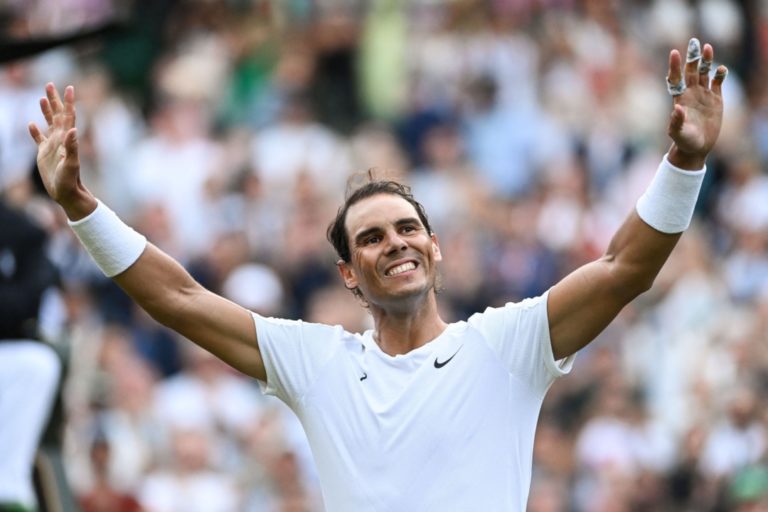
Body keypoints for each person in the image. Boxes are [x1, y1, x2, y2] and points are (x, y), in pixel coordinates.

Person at [28, 38, 727, 511]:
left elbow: (622, 269)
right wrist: (79, 205)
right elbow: (178, 297)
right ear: (348, 273)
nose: (395, 243)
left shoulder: (507, 346)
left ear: (436, 248)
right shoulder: (317, 362)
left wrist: (685, 162)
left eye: (407, 228)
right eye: (371, 237)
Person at [0, 198, 62, 512]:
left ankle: (8, 487)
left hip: (7, 346)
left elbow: (27, 304)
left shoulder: (21, 229)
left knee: (38, 364)